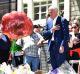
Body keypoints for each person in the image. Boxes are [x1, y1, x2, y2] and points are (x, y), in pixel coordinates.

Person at [42, 6, 76, 73]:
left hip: (60, 47)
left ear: (56, 12)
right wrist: (52, 30)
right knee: (54, 67)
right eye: (49, 11)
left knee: (61, 66)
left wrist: (62, 45)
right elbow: (44, 34)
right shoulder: (48, 21)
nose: (49, 13)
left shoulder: (63, 20)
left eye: (51, 11)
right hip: (51, 46)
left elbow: (66, 35)